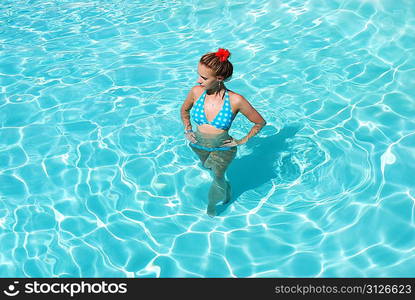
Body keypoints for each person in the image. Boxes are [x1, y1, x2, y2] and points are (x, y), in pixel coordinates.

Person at [180, 48, 266, 217]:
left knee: (217, 177)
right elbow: (184, 111)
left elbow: (259, 122)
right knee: (208, 167)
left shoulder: (236, 100)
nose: (198, 81)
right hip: (198, 144)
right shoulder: (196, 92)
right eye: (198, 75)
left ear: (219, 78)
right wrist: (188, 130)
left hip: (222, 148)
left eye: (204, 78)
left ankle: (212, 209)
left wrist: (241, 141)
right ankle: (226, 189)